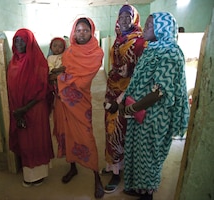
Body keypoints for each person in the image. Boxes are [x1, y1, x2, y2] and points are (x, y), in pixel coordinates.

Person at [120, 12, 190, 200]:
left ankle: (147, 194)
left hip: (154, 116)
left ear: (162, 28)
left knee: (149, 155)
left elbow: (160, 92)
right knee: (137, 151)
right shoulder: (152, 48)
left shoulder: (170, 52)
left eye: (150, 25)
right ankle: (138, 188)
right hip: (140, 111)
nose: (145, 28)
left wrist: (132, 109)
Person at [51, 17, 105, 198]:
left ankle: (96, 176)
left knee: (86, 135)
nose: (81, 34)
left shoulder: (96, 53)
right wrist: (61, 75)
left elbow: (82, 82)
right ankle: (72, 167)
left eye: (85, 30)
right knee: (66, 133)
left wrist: (59, 77)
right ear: (74, 31)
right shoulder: (69, 51)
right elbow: (64, 69)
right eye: (78, 30)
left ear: (92, 32)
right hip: (62, 101)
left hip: (79, 101)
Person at [101, 4, 146, 193]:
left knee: (122, 132)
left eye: (128, 16)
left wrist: (119, 98)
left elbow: (139, 74)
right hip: (112, 91)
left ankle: (119, 174)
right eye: (121, 17)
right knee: (111, 131)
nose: (124, 20)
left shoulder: (140, 42)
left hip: (129, 95)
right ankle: (114, 167)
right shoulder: (118, 40)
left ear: (135, 18)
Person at [7, 28, 54, 187]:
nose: (19, 43)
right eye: (16, 40)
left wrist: (24, 109)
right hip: (18, 109)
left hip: (34, 108)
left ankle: (37, 175)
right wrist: (17, 110)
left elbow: (42, 89)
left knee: (35, 140)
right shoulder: (13, 62)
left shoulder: (38, 61)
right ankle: (29, 172)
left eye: (22, 40)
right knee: (25, 141)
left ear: (30, 42)